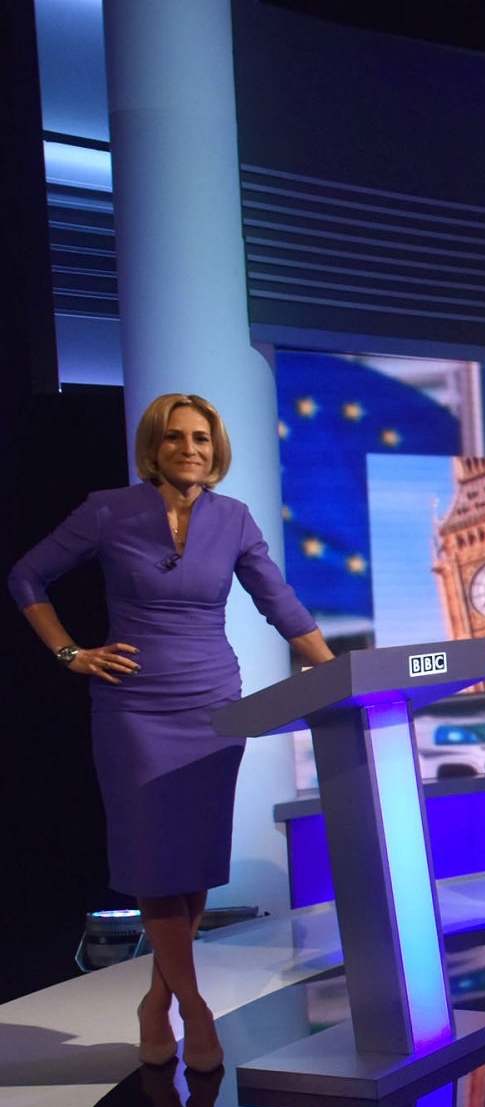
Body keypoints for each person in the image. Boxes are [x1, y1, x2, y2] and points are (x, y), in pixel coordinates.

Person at [10, 393, 334, 1072]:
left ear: (217, 449)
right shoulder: (109, 510)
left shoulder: (235, 519)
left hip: (211, 702)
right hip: (133, 709)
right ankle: (194, 1007)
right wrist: (72, 652)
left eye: (203, 439)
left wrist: (340, 674)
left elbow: (280, 602)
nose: (191, 449)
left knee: (191, 868)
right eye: (177, 438)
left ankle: (155, 1000)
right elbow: (27, 576)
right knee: (157, 864)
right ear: (153, 447)